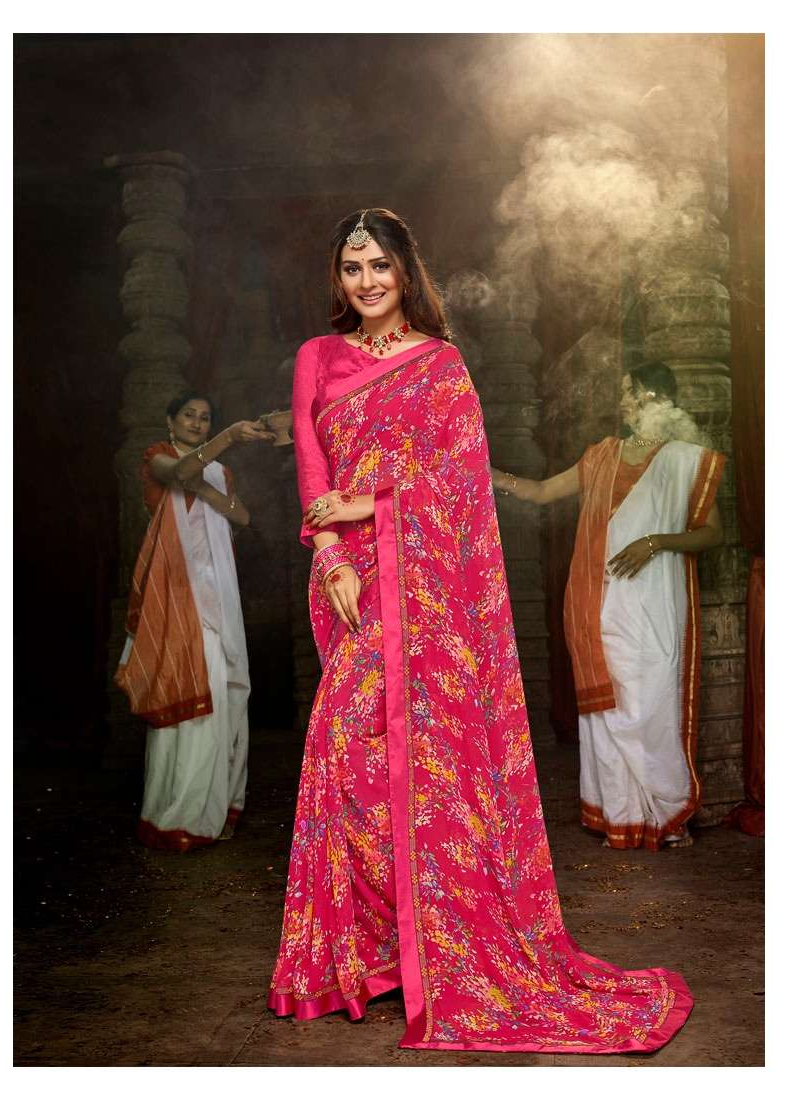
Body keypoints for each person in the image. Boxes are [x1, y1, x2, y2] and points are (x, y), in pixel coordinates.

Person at [267, 208, 692, 1053]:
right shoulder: (318, 357)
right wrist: (335, 556)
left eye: (379, 265)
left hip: (426, 588)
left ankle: (436, 947)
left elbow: (459, 482)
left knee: (427, 763)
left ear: (405, 270)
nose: (367, 282)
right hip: (353, 582)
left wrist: (370, 501)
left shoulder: (441, 365)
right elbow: (313, 476)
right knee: (343, 754)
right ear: (338, 278)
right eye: (352, 268)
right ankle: (369, 953)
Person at [492, 363, 725, 851]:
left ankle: (665, 813)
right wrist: (485, 473)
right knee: (610, 707)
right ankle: (622, 814)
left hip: (657, 604)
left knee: (655, 701)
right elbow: (540, 492)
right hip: (601, 604)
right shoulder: (601, 456)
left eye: (629, 392)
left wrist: (655, 542)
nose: (621, 401)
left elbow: (712, 534)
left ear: (654, 397)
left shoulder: (684, 459)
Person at [115, 393, 273, 852]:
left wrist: (205, 487)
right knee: (184, 688)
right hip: (176, 596)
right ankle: (176, 815)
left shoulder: (218, 471)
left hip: (216, 594)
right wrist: (228, 438)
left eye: (206, 418)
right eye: (189, 415)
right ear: (171, 420)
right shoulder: (157, 456)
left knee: (222, 695)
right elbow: (179, 474)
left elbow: (241, 516)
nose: (197, 423)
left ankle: (218, 807)